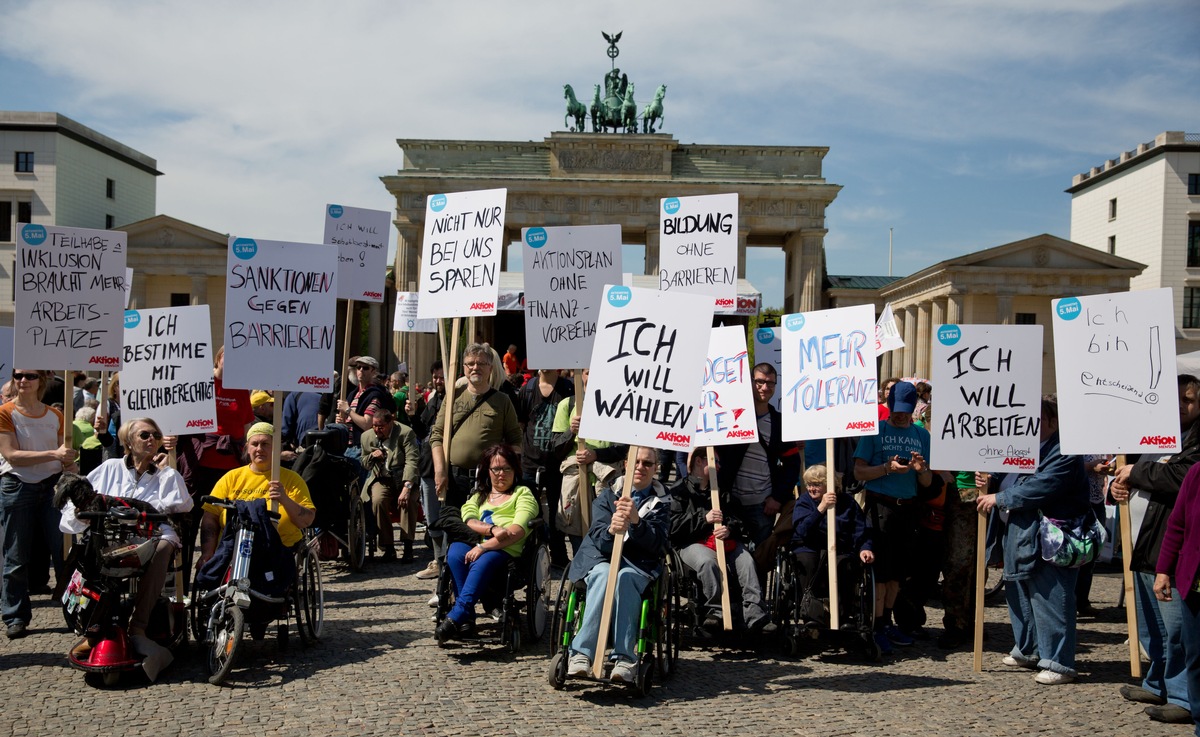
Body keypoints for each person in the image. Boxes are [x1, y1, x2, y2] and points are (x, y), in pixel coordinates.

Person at [58, 417, 192, 676]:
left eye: (155, 434)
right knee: (89, 548)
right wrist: (82, 513)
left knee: (166, 544)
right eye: (144, 435)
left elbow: (181, 506)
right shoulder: (109, 468)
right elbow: (80, 504)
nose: (151, 439)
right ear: (128, 442)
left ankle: (138, 628)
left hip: (149, 537)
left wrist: (166, 474)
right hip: (110, 536)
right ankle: (94, 625)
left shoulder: (167, 474)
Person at [977, 395, 1088, 685]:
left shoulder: (1063, 451)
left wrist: (999, 497)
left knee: (1051, 597)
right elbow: (1007, 475)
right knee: (1019, 593)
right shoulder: (1021, 447)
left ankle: (1059, 662)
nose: (1026, 424)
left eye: (1035, 419)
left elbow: (1042, 486)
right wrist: (988, 477)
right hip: (1019, 535)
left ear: (1052, 422)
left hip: (1051, 538)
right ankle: (1028, 650)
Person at [1109, 373, 1200, 722]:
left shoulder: (1196, 440)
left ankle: (1183, 696)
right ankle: (1158, 680)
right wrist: (1117, 486)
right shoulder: (1156, 436)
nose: (1180, 405)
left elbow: (1178, 477)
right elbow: (1128, 475)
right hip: (1144, 547)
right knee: (1152, 626)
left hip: (1173, 551)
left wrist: (1136, 471)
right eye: (1174, 398)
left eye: (1188, 399)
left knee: (1177, 629)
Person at [566, 446, 670, 683]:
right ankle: (581, 653)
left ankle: (624, 657)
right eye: (637, 462)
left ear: (655, 469)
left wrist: (636, 523)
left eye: (647, 463)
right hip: (601, 557)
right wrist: (612, 531)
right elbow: (597, 536)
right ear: (626, 464)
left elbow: (659, 544)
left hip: (639, 563)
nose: (640, 467)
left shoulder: (662, 501)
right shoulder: (608, 495)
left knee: (625, 578)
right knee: (603, 574)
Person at [854, 380, 934, 653]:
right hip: (880, 507)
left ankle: (887, 621)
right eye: (894, 409)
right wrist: (887, 468)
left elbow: (926, 482)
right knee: (880, 571)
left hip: (907, 509)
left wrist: (921, 469)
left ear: (913, 408)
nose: (898, 414)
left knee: (898, 573)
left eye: (904, 410)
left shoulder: (923, 436)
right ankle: (875, 624)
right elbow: (859, 472)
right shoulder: (875, 431)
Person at [435, 444, 539, 642]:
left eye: (506, 468)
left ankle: (459, 613)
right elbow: (469, 519)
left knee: (482, 561)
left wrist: (484, 546)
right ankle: (468, 618)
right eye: (496, 469)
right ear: (487, 471)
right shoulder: (478, 496)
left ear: (515, 470)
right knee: (456, 553)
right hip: (479, 541)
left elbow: (517, 530)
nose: (501, 474)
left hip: (505, 549)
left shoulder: (522, 494)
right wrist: (491, 530)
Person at [0, 369, 76, 639]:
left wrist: (71, 465)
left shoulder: (55, 415)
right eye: (18, 375)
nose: (23, 380)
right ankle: (15, 616)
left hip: (52, 487)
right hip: (17, 485)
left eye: (30, 376)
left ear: (40, 381)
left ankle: (73, 611)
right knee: (15, 556)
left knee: (64, 553)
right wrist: (54, 454)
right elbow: (11, 455)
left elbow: (66, 460)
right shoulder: (6, 412)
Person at [668, 449, 772, 633]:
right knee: (708, 562)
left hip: (725, 542)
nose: (719, 465)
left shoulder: (722, 491)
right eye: (714, 461)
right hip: (693, 543)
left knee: (747, 561)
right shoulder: (679, 491)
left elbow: (737, 519)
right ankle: (714, 612)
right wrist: (703, 519)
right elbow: (673, 527)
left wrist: (729, 528)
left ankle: (755, 613)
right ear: (699, 461)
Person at [196, 423, 316, 568]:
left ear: (276, 447)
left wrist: (284, 498)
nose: (259, 449)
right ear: (247, 448)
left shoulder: (291, 479)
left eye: (265, 444)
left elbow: (307, 520)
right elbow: (210, 517)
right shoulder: (231, 478)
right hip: (232, 550)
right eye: (255, 444)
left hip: (279, 551)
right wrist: (207, 553)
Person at [715, 363, 802, 548]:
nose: (765, 387)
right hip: (730, 503)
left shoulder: (779, 422)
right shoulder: (732, 416)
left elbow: (793, 464)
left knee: (760, 560)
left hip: (763, 505)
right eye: (760, 382)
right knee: (732, 557)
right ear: (751, 383)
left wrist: (777, 497)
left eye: (770, 383)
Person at [548, 367, 627, 561]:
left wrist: (596, 455)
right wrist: (571, 432)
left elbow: (623, 448)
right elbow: (555, 448)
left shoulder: (619, 404)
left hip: (607, 482)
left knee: (608, 533)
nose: (592, 376)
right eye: (588, 372)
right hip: (575, 484)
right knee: (577, 536)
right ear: (580, 375)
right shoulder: (568, 404)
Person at [429, 344, 521, 509]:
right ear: (464, 367)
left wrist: (504, 471)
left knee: (484, 529)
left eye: (481, 363)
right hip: (454, 478)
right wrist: (440, 471)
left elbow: (515, 440)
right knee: (454, 529)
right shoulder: (452, 397)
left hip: (488, 479)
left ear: (490, 368)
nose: (475, 368)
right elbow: (437, 436)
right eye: (470, 363)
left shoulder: (502, 400)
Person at [1154, 462, 1200, 734]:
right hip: (1195, 585)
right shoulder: (1196, 472)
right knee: (1195, 655)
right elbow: (1177, 524)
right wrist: (1163, 570)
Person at [791, 464, 874, 613]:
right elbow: (802, 530)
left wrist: (865, 548)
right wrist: (821, 508)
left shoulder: (848, 502)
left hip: (840, 547)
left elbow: (860, 529)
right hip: (809, 545)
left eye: (816, 485)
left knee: (844, 565)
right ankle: (810, 611)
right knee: (807, 563)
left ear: (830, 484)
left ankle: (842, 613)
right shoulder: (804, 501)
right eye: (809, 484)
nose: (811, 489)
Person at [518, 367, 573, 557]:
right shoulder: (528, 389)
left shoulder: (568, 389)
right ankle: (532, 554)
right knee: (529, 510)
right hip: (530, 463)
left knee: (557, 513)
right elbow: (522, 423)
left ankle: (558, 554)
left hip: (558, 463)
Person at [361, 409, 419, 562]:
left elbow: (412, 461)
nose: (377, 430)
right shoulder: (367, 437)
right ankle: (388, 546)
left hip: (404, 478)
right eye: (374, 426)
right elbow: (364, 463)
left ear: (390, 422)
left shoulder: (405, 433)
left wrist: (407, 487)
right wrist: (372, 456)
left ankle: (408, 545)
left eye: (381, 427)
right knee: (378, 500)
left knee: (409, 501)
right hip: (382, 478)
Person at [408, 360, 447, 582]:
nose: (438, 381)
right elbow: (423, 431)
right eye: (435, 377)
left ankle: (445, 561)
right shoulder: (432, 401)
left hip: (446, 467)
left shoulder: (453, 400)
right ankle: (437, 559)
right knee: (432, 518)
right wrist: (414, 415)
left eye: (442, 377)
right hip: (428, 466)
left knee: (447, 517)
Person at [336, 355, 396, 460]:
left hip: (362, 448)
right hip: (347, 446)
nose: (361, 370)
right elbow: (351, 420)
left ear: (373, 372)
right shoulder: (353, 394)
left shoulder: (374, 395)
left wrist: (348, 410)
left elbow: (366, 424)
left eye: (366, 368)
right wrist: (342, 421)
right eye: (358, 367)